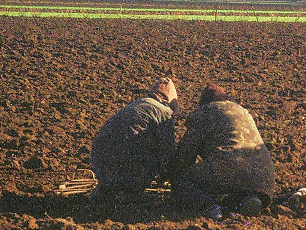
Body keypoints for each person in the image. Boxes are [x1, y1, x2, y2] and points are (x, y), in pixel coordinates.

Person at [171, 84, 276, 221]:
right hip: (264, 177)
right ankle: (248, 201)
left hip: (228, 167)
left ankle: (209, 207)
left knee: (182, 179)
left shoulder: (205, 112)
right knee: (235, 187)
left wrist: (172, 172)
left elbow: (185, 154)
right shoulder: (243, 112)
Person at [88, 77, 180, 205]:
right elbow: (166, 152)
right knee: (152, 154)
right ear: (168, 100)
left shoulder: (135, 105)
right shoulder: (163, 112)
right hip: (126, 166)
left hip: (98, 162)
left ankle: (106, 188)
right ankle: (129, 195)